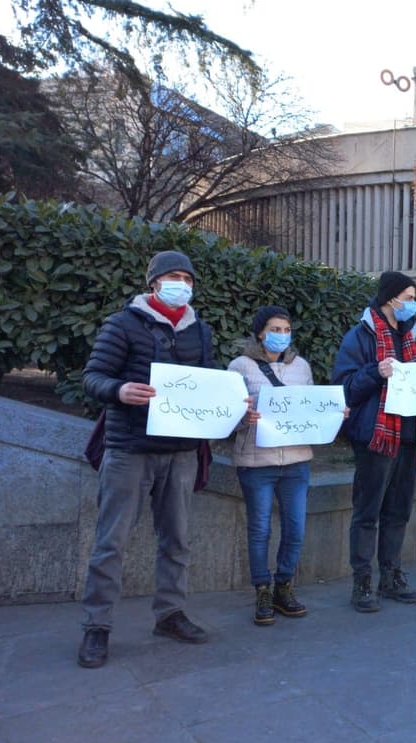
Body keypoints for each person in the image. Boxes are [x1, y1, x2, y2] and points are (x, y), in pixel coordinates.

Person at [77, 250, 214, 668]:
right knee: (111, 542)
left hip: (181, 452)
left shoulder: (201, 331)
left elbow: (208, 384)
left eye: (188, 279)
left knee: (177, 540)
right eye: (174, 277)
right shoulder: (122, 324)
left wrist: (230, 404)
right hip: (130, 449)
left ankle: (170, 614)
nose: (182, 285)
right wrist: (119, 391)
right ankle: (96, 627)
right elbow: (93, 376)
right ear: (154, 282)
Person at [332, 271, 416, 613]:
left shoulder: (414, 336)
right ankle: (362, 580)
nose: (412, 304)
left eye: (413, 298)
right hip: (376, 437)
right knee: (368, 511)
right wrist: (374, 372)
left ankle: (392, 574)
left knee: (399, 510)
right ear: (389, 298)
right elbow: (345, 387)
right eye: (408, 297)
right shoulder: (360, 336)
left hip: (410, 435)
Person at [228, 305, 315, 626]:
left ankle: (284, 586)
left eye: (286, 329)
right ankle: (262, 589)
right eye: (275, 329)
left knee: (296, 528)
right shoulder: (240, 366)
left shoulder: (302, 367)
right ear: (260, 332)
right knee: (260, 529)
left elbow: (310, 409)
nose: (282, 335)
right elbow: (226, 415)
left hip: (296, 460)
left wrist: (332, 415)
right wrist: (242, 418)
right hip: (256, 461)